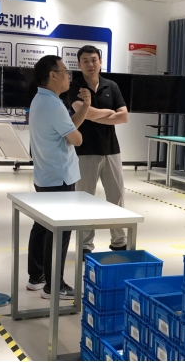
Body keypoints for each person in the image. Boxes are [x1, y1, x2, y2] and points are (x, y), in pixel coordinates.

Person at [27, 54, 91, 299]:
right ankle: (54, 286)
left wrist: (85, 107)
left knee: (42, 227)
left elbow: (67, 128)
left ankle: (36, 277)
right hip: (60, 177)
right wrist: (78, 131)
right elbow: (76, 138)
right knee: (60, 233)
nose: (68, 77)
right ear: (53, 75)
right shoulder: (54, 105)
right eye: (65, 71)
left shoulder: (40, 100)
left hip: (45, 175)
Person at [67, 45, 129, 257]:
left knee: (117, 197)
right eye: (85, 61)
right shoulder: (74, 87)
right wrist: (107, 112)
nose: (90, 64)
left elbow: (124, 116)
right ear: (79, 64)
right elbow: (83, 112)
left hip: (112, 150)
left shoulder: (111, 86)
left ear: (100, 62)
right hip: (85, 151)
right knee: (84, 199)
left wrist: (94, 114)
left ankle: (119, 242)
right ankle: (85, 246)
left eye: (94, 60)